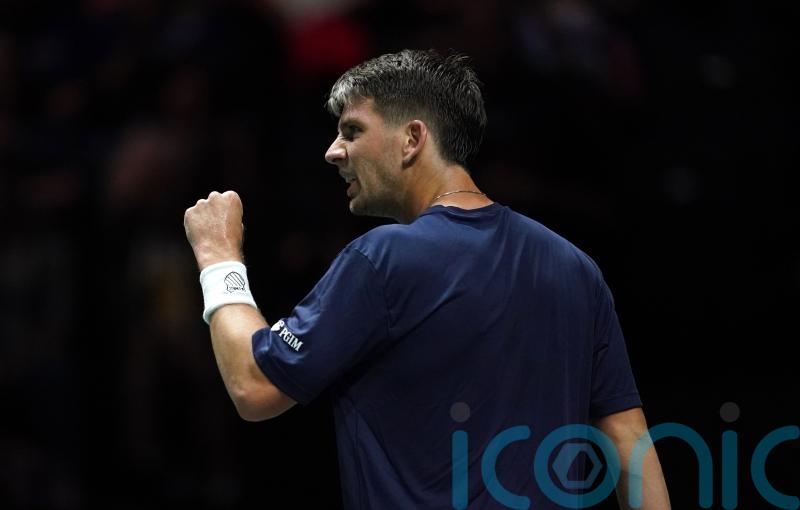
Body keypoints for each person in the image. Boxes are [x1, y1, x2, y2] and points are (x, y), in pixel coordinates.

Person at [183, 49, 670, 509]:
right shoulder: (575, 267)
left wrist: (218, 256)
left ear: (413, 138)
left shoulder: (384, 257)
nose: (333, 152)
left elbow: (254, 387)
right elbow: (629, 438)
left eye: (352, 131)